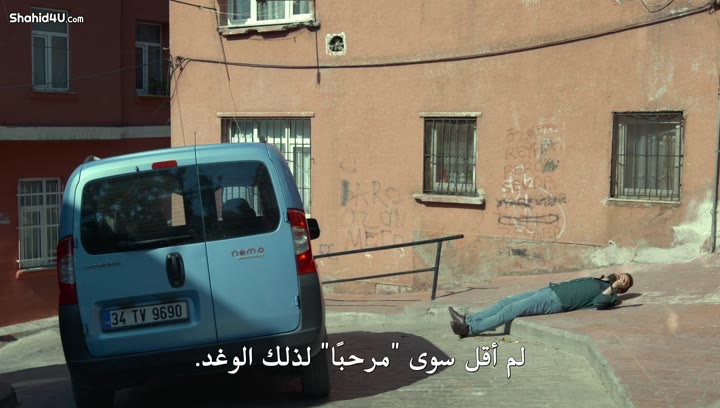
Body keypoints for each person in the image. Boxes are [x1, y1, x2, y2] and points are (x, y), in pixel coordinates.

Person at [448, 273, 633, 338]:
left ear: (623, 288)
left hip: (555, 302)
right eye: (620, 274)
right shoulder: (601, 281)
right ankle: (468, 319)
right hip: (549, 291)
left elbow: (599, 303)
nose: (619, 277)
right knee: (505, 302)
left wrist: (614, 286)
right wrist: (610, 280)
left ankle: (470, 329)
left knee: (510, 310)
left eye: (623, 280)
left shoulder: (611, 295)